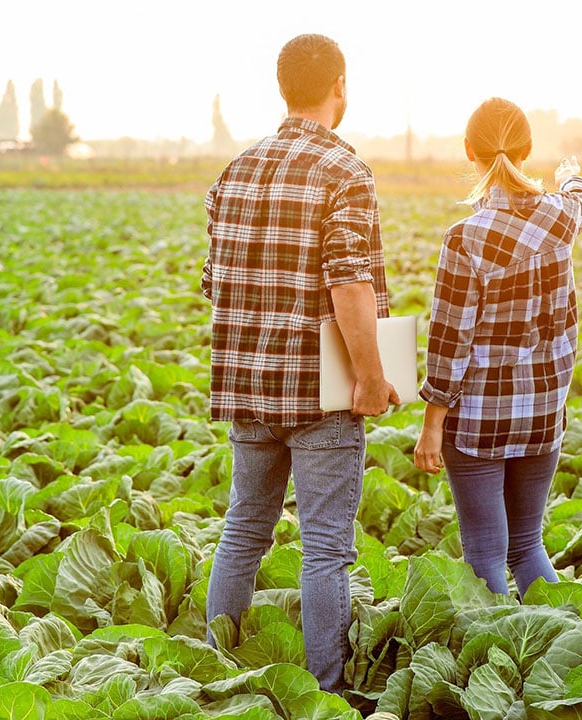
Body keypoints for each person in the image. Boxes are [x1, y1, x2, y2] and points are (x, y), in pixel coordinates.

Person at [201, 33, 398, 693]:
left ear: (284, 89)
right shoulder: (345, 171)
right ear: (339, 87)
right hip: (321, 396)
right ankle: (327, 692)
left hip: (247, 389)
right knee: (326, 554)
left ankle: (215, 671)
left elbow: (214, 282)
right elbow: (350, 284)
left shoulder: (235, 171)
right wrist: (371, 377)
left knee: (242, 533)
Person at [413, 97, 582, 598]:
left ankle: (500, 648)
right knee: (527, 547)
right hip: (543, 414)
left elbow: (449, 340)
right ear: (528, 148)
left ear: (468, 150)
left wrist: (432, 425)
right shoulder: (562, 218)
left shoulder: (465, 238)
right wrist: (569, 175)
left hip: (478, 421)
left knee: (486, 556)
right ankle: (555, 646)